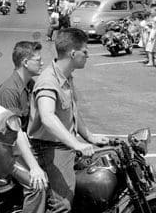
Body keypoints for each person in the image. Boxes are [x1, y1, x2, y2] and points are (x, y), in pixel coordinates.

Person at [28, 28, 108, 212]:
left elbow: (70, 111)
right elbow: (48, 117)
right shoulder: (48, 81)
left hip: (63, 148)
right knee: (63, 205)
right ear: (73, 53)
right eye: (85, 52)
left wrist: (89, 136)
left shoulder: (66, 77)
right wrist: (76, 144)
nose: (87, 56)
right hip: (50, 149)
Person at [0, 42, 47, 213]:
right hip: (5, 152)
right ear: (25, 62)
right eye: (38, 60)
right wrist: (35, 168)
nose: (42, 63)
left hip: (20, 147)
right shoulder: (9, 90)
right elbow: (17, 134)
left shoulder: (29, 85)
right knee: (37, 184)